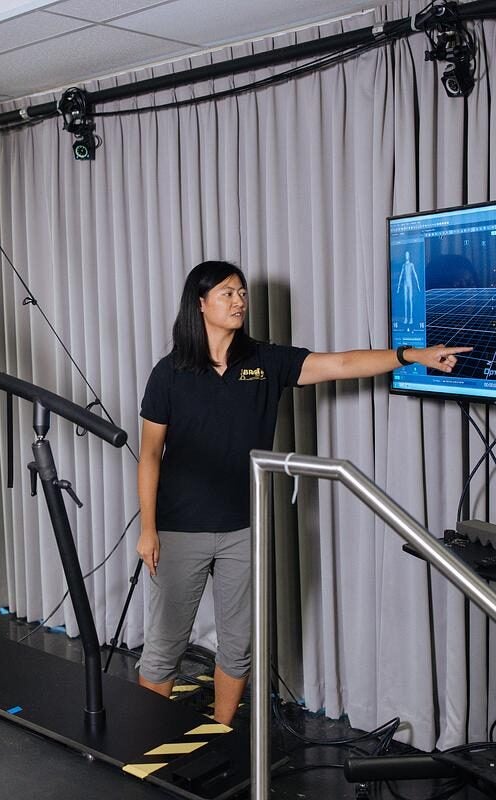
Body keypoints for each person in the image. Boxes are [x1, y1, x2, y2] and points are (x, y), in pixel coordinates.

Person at [136, 260, 470, 725]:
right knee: (164, 646)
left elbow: (341, 364)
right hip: (179, 528)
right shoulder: (170, 372)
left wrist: (411, 355)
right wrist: (148, 529)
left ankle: (219, 733)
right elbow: (150, 454)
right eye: (227, 294)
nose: (238, 301)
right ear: (200, 303)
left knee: (238, 643)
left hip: (243, 528)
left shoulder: (265, 361)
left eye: (242, 293)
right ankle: (148, 739)